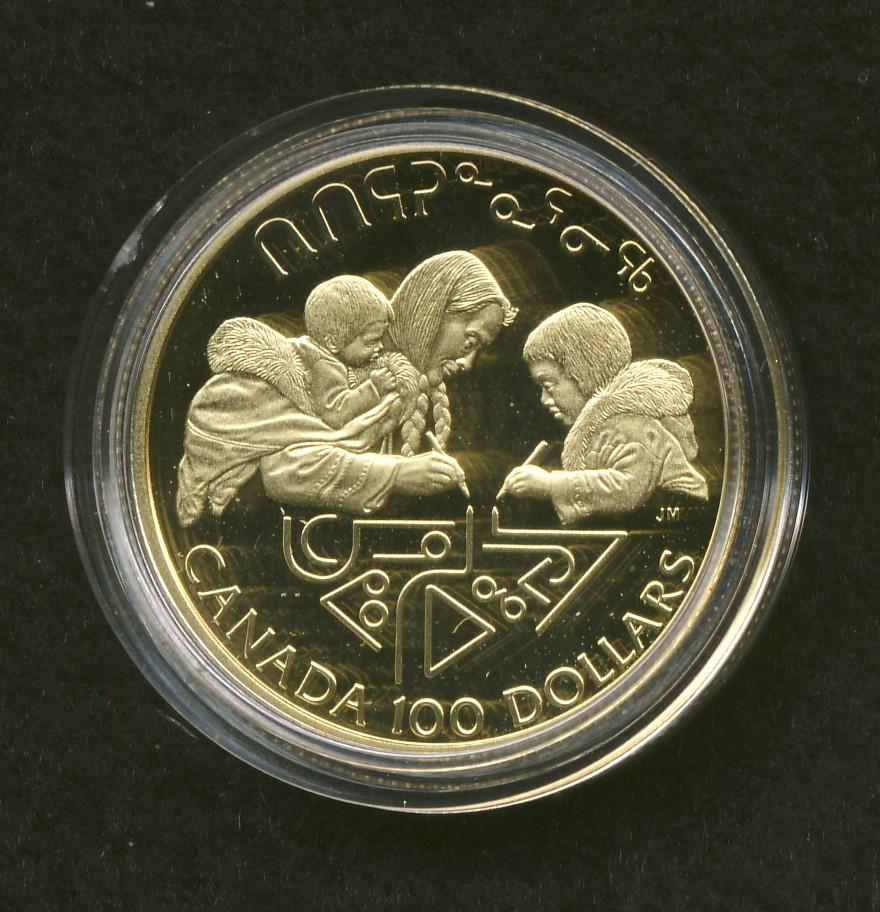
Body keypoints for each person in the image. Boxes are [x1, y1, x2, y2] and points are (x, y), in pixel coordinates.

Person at [175, 250, 515, 525]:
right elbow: (285, 470)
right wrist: (396, 474)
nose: (467, 362)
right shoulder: (353, 371)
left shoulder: (404, 384)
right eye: (470, 341)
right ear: (431, 317)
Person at [501, 303, 708, 523]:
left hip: (674, 522)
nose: (543, 399)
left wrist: (549, 485)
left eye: (548, 384)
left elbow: (628, 488)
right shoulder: (604, 426)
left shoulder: (630, 426)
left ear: (583, 373)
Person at [300, 275, 398, 429]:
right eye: (371, 342)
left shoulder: (327, 356)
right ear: (333, 343)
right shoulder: (322, 365)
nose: (380, 346)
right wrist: (374, 388)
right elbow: (335, 414)